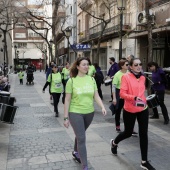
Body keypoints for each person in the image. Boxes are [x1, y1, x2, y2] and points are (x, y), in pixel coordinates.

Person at [110, 58, 156, 170]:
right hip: (130, 109)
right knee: (128, 133)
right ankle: (114, 143)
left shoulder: (143, 77)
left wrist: (147, 100)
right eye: (136, 65)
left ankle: (144, 161)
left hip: (142, 109)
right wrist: (134, 98)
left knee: (143, 133)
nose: (139, 66)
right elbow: (122, 94)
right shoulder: (125, 77)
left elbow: (142, 92)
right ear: (130, 66)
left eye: (140, 64)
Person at [63, 57, 107, 170]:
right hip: (75, 112)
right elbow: (67, 100)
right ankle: (85, 165)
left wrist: (102, 107)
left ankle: (75, 151)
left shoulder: (91, 80)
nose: (86, 66)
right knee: (82, 138)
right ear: (77, 67)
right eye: (84, 64)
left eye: (88, 64)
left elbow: (96, 95)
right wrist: (65, 117)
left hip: (89, 113)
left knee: (80, 135)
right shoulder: (71, 81)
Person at [112, 59, 129, 133]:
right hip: (119, 93)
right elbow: (114, 87)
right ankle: (117, 126)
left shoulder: (129, 73)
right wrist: (114, 98)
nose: (128, 66)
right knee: (118, 111)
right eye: (127, 65)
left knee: (128, 112)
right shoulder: (117, 74)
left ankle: (128, 128)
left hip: (128, 94)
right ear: (122, 66)